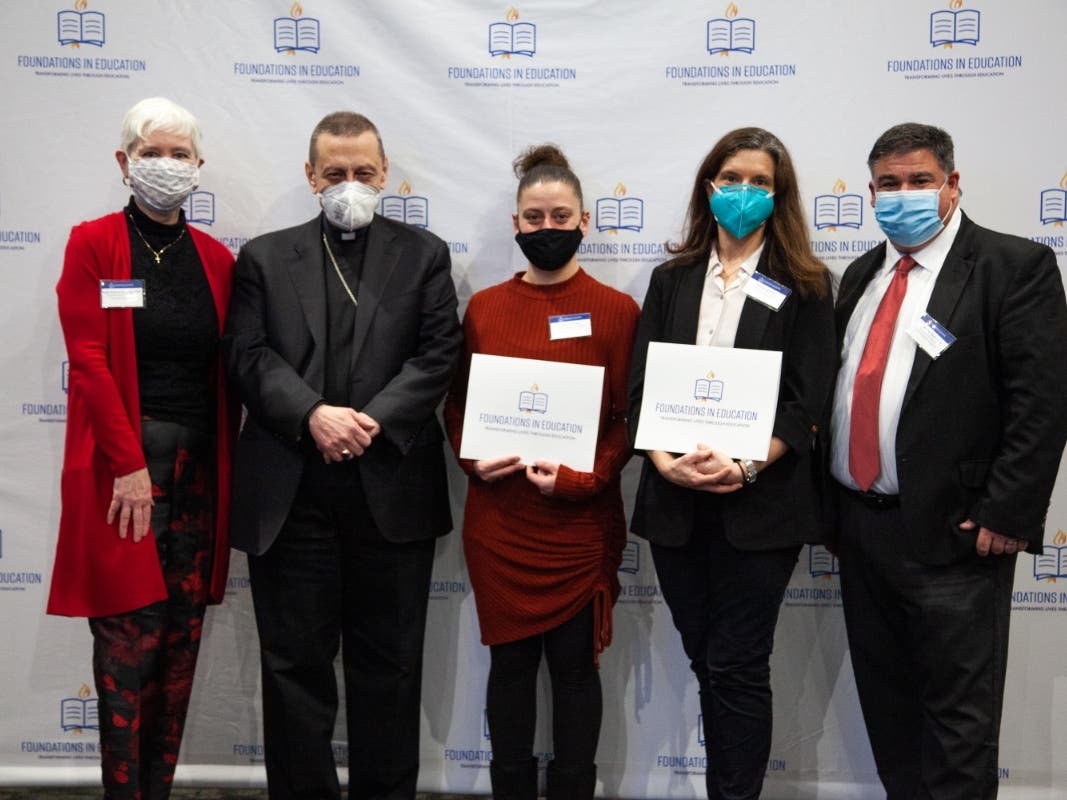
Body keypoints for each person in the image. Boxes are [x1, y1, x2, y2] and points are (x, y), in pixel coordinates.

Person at [222, 111, 462, 800]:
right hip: (291, 493)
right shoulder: (265, 258)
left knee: (388, 668)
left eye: (362, 172)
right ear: (310, 177)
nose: (348, 184)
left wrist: (370, 422)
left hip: (389, 486)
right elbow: (247, 354)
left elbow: (438, 353)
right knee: (294, 668)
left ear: (384, 174)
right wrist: (313, 415)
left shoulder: (424, 254)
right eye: (334, 174)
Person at [831, 122, 1067, 799]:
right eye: (887, 184)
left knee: (957, 734)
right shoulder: (860, 275)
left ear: (951, 185)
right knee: (890, 719)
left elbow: (1041, 402)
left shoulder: (1010, 266)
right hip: (863, 531)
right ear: (869, 192)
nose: (902, 195)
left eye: (918, 181)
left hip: (957, 536)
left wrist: (1006, 513)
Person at [628, 127, 835, 800]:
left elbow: (808, 400)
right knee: (704, 659)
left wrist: (746, 465)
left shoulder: (803, 285)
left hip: (760, 505)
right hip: (675, 500)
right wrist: (661, 460)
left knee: (738, 665)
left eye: (758, 182)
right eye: (730, 178)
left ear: (779, 197)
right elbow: (640, 387)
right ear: (707, 187)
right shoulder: (671, 279)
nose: (741, 192)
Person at [46, 97, 237, 800]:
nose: (166, 166)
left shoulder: (218, 261)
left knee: (178, 650)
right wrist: (129, 467)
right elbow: (89, 360)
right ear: (125, 163)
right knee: (127, 653)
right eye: (152, 153)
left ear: (199, 165)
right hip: (123, 475)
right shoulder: (93, 242)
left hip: (198, 481)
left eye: (179, 154)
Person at [444, 144, 638, 800]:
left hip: (579, 525)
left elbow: (626, 419)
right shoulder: (484, 310)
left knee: (576, 673)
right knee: (509, 669)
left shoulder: (616, 311)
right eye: (533, 217)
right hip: (499, 523)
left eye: (560, 216)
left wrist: (586, 480)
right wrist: (474, 458)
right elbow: (457, 406)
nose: (546, 228)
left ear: (584, 222)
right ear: (515, 224)